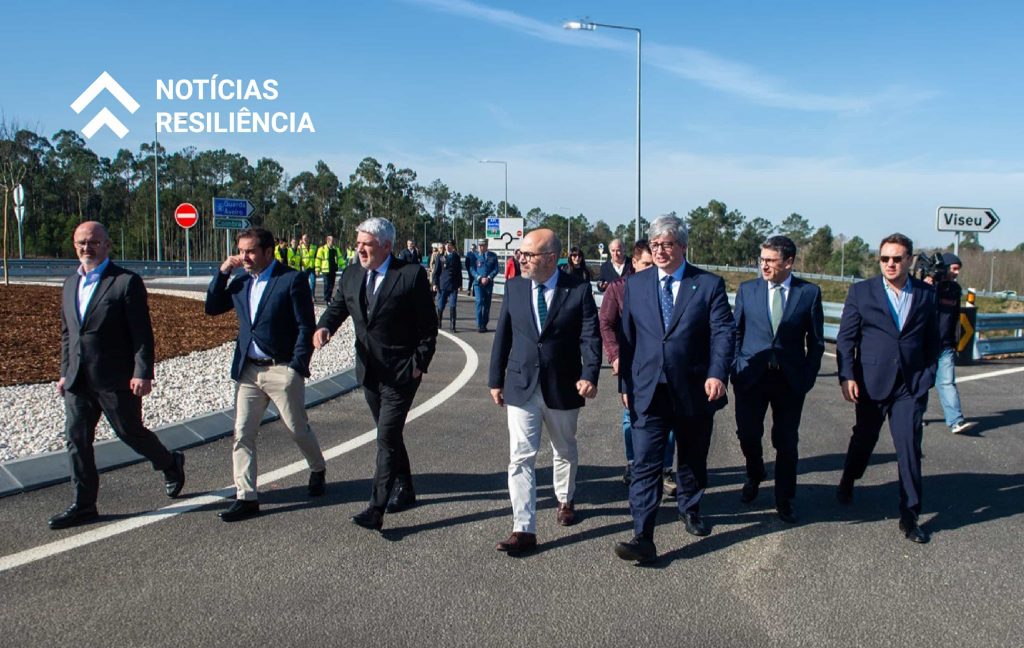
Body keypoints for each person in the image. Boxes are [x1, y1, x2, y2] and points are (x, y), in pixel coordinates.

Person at [613, 214, 736, 563]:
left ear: (682, 246)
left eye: (668, 244)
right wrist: (626, 383)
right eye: (655, 245)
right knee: (646, 463)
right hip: (648, 389)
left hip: (695, 388)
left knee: (692, 456)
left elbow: (724, 333)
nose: (661, 250)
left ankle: (690, 507)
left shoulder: (708, 284)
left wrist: (717, 374)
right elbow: (628, 339)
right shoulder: (636, 285)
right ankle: (642, 534)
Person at [50, 221, 185, 530]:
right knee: (76, 440)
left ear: (107, 245)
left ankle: (169, 462)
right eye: (81, 243)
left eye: (94, 242)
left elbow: (141, 333)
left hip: (115, 378)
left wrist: (143, 372)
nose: (87, 248)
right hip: (77, 380)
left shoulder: (125, 282)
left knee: (129, 431)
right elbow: (67, 334)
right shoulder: (70, 284)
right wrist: (63, 372)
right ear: (75, 246)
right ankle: (84, 505)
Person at [314, 217, 438, 531]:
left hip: (401, 373)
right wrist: (324, 326)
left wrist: (418, 364)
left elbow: (428, 328)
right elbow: (339, 306)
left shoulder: (409, 276)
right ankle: (406, 489)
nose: (359, 250)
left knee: (385, 438)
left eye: (366, 245)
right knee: (391, 434)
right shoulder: (353, 273)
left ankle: (376, 507)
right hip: (368, 370)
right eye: (358, 244)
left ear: (386, 245)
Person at [488, 228, 601, 555]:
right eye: (521, 254)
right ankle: (523, 528)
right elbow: (502, 336)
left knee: (564, 448)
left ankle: (565, 499)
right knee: (520, 457)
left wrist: (589, 374)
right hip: (521, 385)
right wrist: (495, 380)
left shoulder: (577, 291)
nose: (521, 259)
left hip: (563, 385)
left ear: (551, 259)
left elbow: (590, 337)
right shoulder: (514, 288)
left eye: (529, 255)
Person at [205, 227, 327, 521]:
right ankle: (246, 497)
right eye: (241, 251)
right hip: (248, 371)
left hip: (281, 369)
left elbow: (304, 326)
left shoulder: (291, 279)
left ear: (268, 252)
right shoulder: (241, 281)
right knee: (242, 434)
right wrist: (223, 272)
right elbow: (211, 307)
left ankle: (317, 467)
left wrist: (297, 367)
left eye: (250, 251)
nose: (243, 257)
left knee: (297, 428)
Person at [836, 233, 940, 544]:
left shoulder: (925, 295)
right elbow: (846, 340)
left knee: (909, 448)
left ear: (909, 260)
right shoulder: (861, 292)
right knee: (864, 439)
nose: (890, 264)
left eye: (897, 258)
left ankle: (910, 515)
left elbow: (934, 342)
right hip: (870, 383)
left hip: (909, 386)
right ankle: (848, 478)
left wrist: (927, 377)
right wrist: (847, 376)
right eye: (885, 259)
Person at [731, 236, 824, 524]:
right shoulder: (748, 290)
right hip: (751, 376)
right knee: (748, 434)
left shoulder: (808, 293)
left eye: (770, 260)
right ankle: (755, 472)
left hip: (789, 380)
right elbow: (735, 332)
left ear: (788, 262)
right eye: (762, 260)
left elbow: (817, 341)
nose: (764, 266)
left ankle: (785, 498)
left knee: (785, 441)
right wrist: (735, 366)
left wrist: (807, 376)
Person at [598, 240, 676, 492]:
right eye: (646, 264)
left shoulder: (670, 288)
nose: (652, 269)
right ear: (634, 263)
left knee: (670, 421)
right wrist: (616, 355)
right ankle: (634, 463)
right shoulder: (620, 289)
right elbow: (606, 324)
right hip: (633, 366)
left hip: (667, 368)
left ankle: (664, 468)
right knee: (631, 418)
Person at [926, 253, 977, 434]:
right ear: (945, 268)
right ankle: (915, 416)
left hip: (946, 345)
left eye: (958, 269)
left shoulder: (955, 289)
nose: (956, 273)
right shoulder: (930, 286)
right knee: (922, 382)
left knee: (947, 382)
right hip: (925, 343)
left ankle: (956, 421)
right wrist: (929, 282)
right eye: (954, 269)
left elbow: (956, 317)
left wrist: (956, 342)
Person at [469, 238, 500, 332]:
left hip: (488, 283)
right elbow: (471, 269)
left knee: (487, 305)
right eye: (480, 246)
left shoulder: (493, 256)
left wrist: (489, 277)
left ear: (486, 246)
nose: (481, 247)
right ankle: (479, 324)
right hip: (478, 283)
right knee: (479, 302)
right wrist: (478, 277)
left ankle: (484, 324)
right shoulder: (474, 256)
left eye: (483, 246)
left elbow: (496, 269)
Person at [432, 240, 462, 333]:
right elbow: (436, 272)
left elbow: (458, 272)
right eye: (446, 245)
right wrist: (434, 284)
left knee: (453, 305)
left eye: (450, 245)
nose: (448, 247)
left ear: (453, 247)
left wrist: (460, 284)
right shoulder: (440, 257)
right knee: (440, 305)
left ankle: (453, 325)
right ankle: (439, 322)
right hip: (443, 285)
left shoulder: (456, 257)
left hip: (453, 285)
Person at [315, 235, 342, 304]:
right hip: (325, 270)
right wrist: (317, 269)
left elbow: (340, 258)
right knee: (327, 284)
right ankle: (326, 299)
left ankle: (329, 297)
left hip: (333, 269)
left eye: (333, 241)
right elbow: (318, 259)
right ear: (328, 241)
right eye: (331, 241)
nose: (333, 242)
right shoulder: (322, 249)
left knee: (332, 285)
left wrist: (344, 267)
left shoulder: (336, 249)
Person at [298, 233, 317, 297]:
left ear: (309, 239)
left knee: (313, 282)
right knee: (303, 283)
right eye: (304, 239)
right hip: (304, 267)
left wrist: (317, 268)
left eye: (306, 238)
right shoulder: (300, 248)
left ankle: (312, 296)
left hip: (312, 267)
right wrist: (301, 265)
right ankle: (304, 295)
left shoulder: (314, 247)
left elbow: (316, 258)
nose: (306, 240)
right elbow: (298, 257)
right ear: (302, 240)